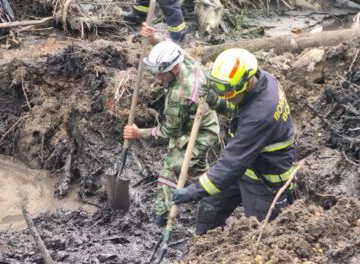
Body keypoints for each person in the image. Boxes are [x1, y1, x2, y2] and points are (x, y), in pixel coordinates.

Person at [171, 48, 296, 235]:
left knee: (262, 234)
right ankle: (202, 246)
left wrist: (193, 191)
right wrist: (213, 98)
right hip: (246, 167)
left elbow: (231, 164)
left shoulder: (260, 115)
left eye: (227, 92)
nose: (225, 96)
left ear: (246, 83)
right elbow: (237, 106)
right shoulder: (261, 79)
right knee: (210, 207)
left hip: (265, 181)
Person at [123, 26, 219, 226]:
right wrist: (153, 39)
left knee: (170, 169)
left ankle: (163, 218)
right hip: (203, 117)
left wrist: (138, 133)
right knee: (198, 167)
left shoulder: (179, 95)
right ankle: (214, 196)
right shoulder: (183, 59)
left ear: (174, 69)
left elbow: (171, 131)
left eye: (161, 73)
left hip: (201, 131)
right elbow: (174, 49)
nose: (158, 77)